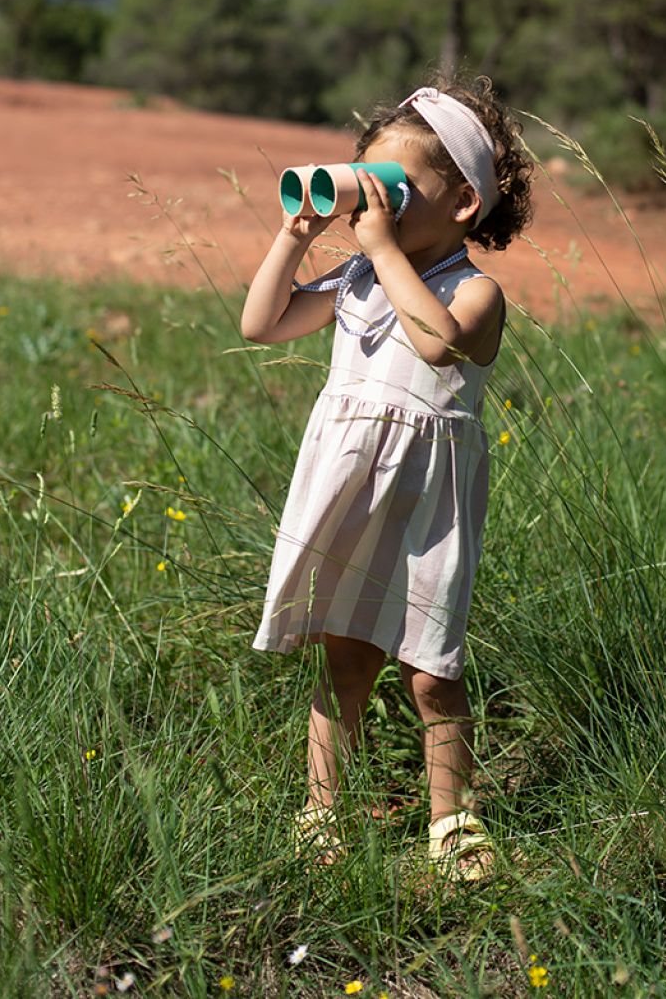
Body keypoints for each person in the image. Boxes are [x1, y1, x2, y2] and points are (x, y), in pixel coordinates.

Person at [241, 76, 533, 880]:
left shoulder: (475, 291)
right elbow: (261, 323)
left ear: (465, 202)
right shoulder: (357, 282)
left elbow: (441, 344)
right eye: (370, 184)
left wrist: (375, 247)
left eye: (398, 189)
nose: (378, 205)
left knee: (432, 671)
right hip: (351, 489)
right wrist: (298, 234)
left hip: (428, 503)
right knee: (343, 654)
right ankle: (322, 811)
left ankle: (455, 823)